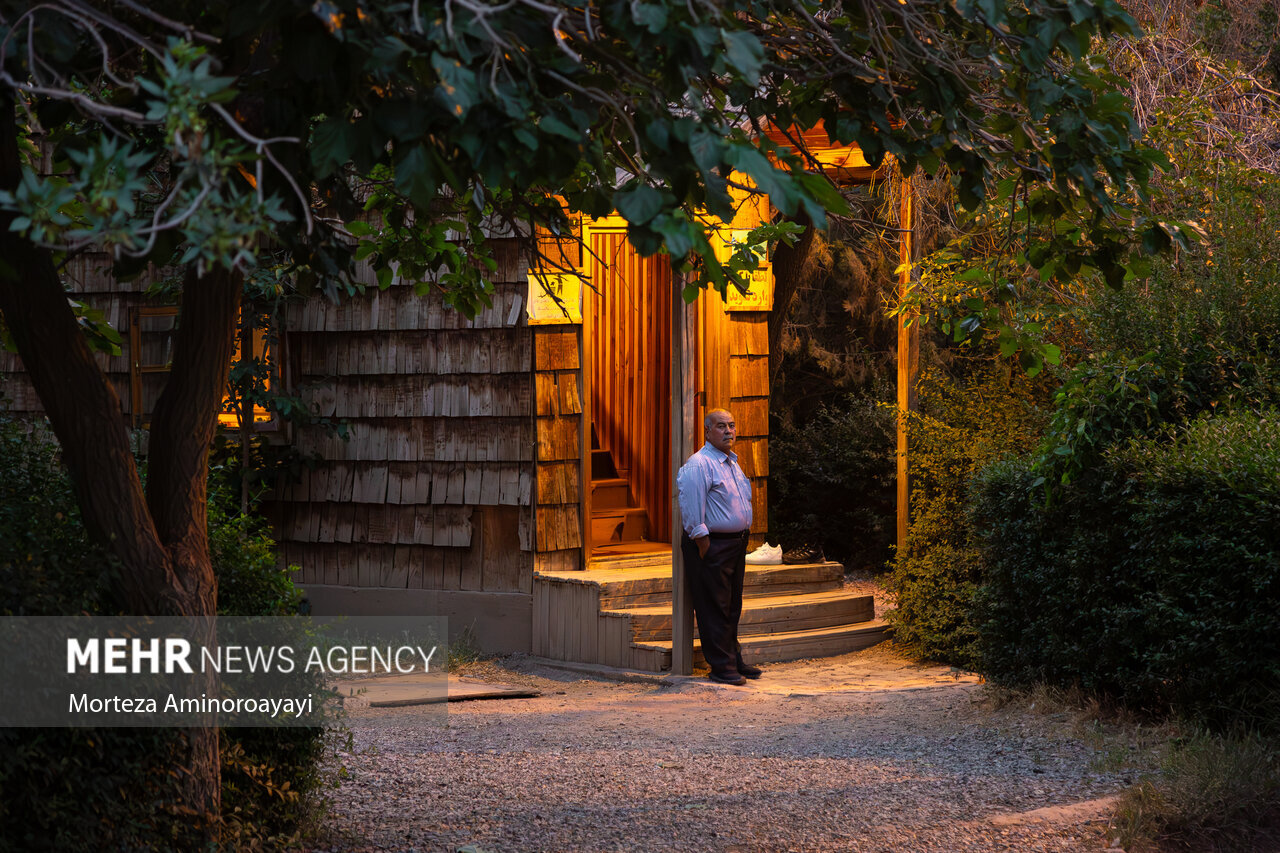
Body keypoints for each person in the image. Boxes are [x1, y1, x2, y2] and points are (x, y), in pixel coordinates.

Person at [676, 408, 762, 686]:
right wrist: (703, 544)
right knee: (714, 605)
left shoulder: (731, 463)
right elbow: (690, 506)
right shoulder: (699, 464)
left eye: (732, 425)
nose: (728, 431)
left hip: (735, 544)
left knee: (731, 605)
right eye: (721, 426)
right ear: (707, 431)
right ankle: (721, 667)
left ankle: (732, 658)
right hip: (712, 544)